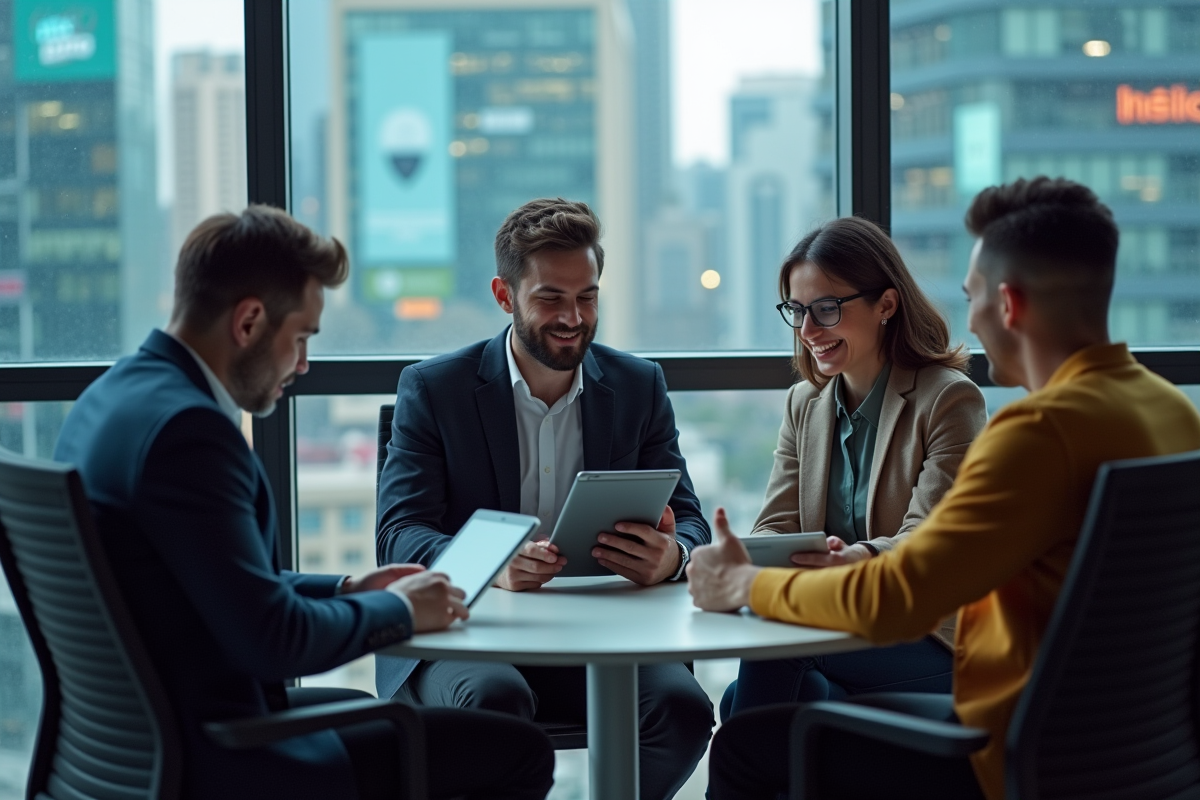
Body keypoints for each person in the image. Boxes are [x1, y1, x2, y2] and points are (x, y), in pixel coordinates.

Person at [690, 177, 1200, 800]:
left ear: (1008, 304)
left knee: (745, 743)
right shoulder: (1174, 413)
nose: (972, 318)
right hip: (1128, 751)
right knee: (769, 713)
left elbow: (901, 596)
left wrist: (747, 586)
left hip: (1000, 748)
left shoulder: (1037, 433)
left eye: (972, 296)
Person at [54, 206, 555, 800]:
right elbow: (275, 640)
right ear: (249, 321)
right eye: (300, 338)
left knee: (372, 711)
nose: (303, 364)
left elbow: (226, 581)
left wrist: (347, 589)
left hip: (138, 743)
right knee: (520, 752)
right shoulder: (190, 433)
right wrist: (399, 612)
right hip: (222, 753)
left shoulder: (111, 399)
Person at [376, 197, 715, 800]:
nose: (573, 317)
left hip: (601, 635)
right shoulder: (433, 389)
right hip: (469, 635)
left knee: (682, 711)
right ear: (504, 296)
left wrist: (674, 557)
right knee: (495, 703)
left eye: (587, 297)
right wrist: (490, 564)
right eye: (551, 298)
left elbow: (689, 518)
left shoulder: (639, 385)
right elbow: (399, 533)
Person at [720, 216, 987, 722]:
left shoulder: (949, 399)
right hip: (840, 630)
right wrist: (745, 556)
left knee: (770, 672)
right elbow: (776, 525)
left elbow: (928, 544)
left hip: (930, 637)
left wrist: (855, 559)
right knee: (762, 702)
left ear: (886, 304)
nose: (808, 331)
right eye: (797, 311)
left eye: (826, 309)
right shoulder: (804, 403)